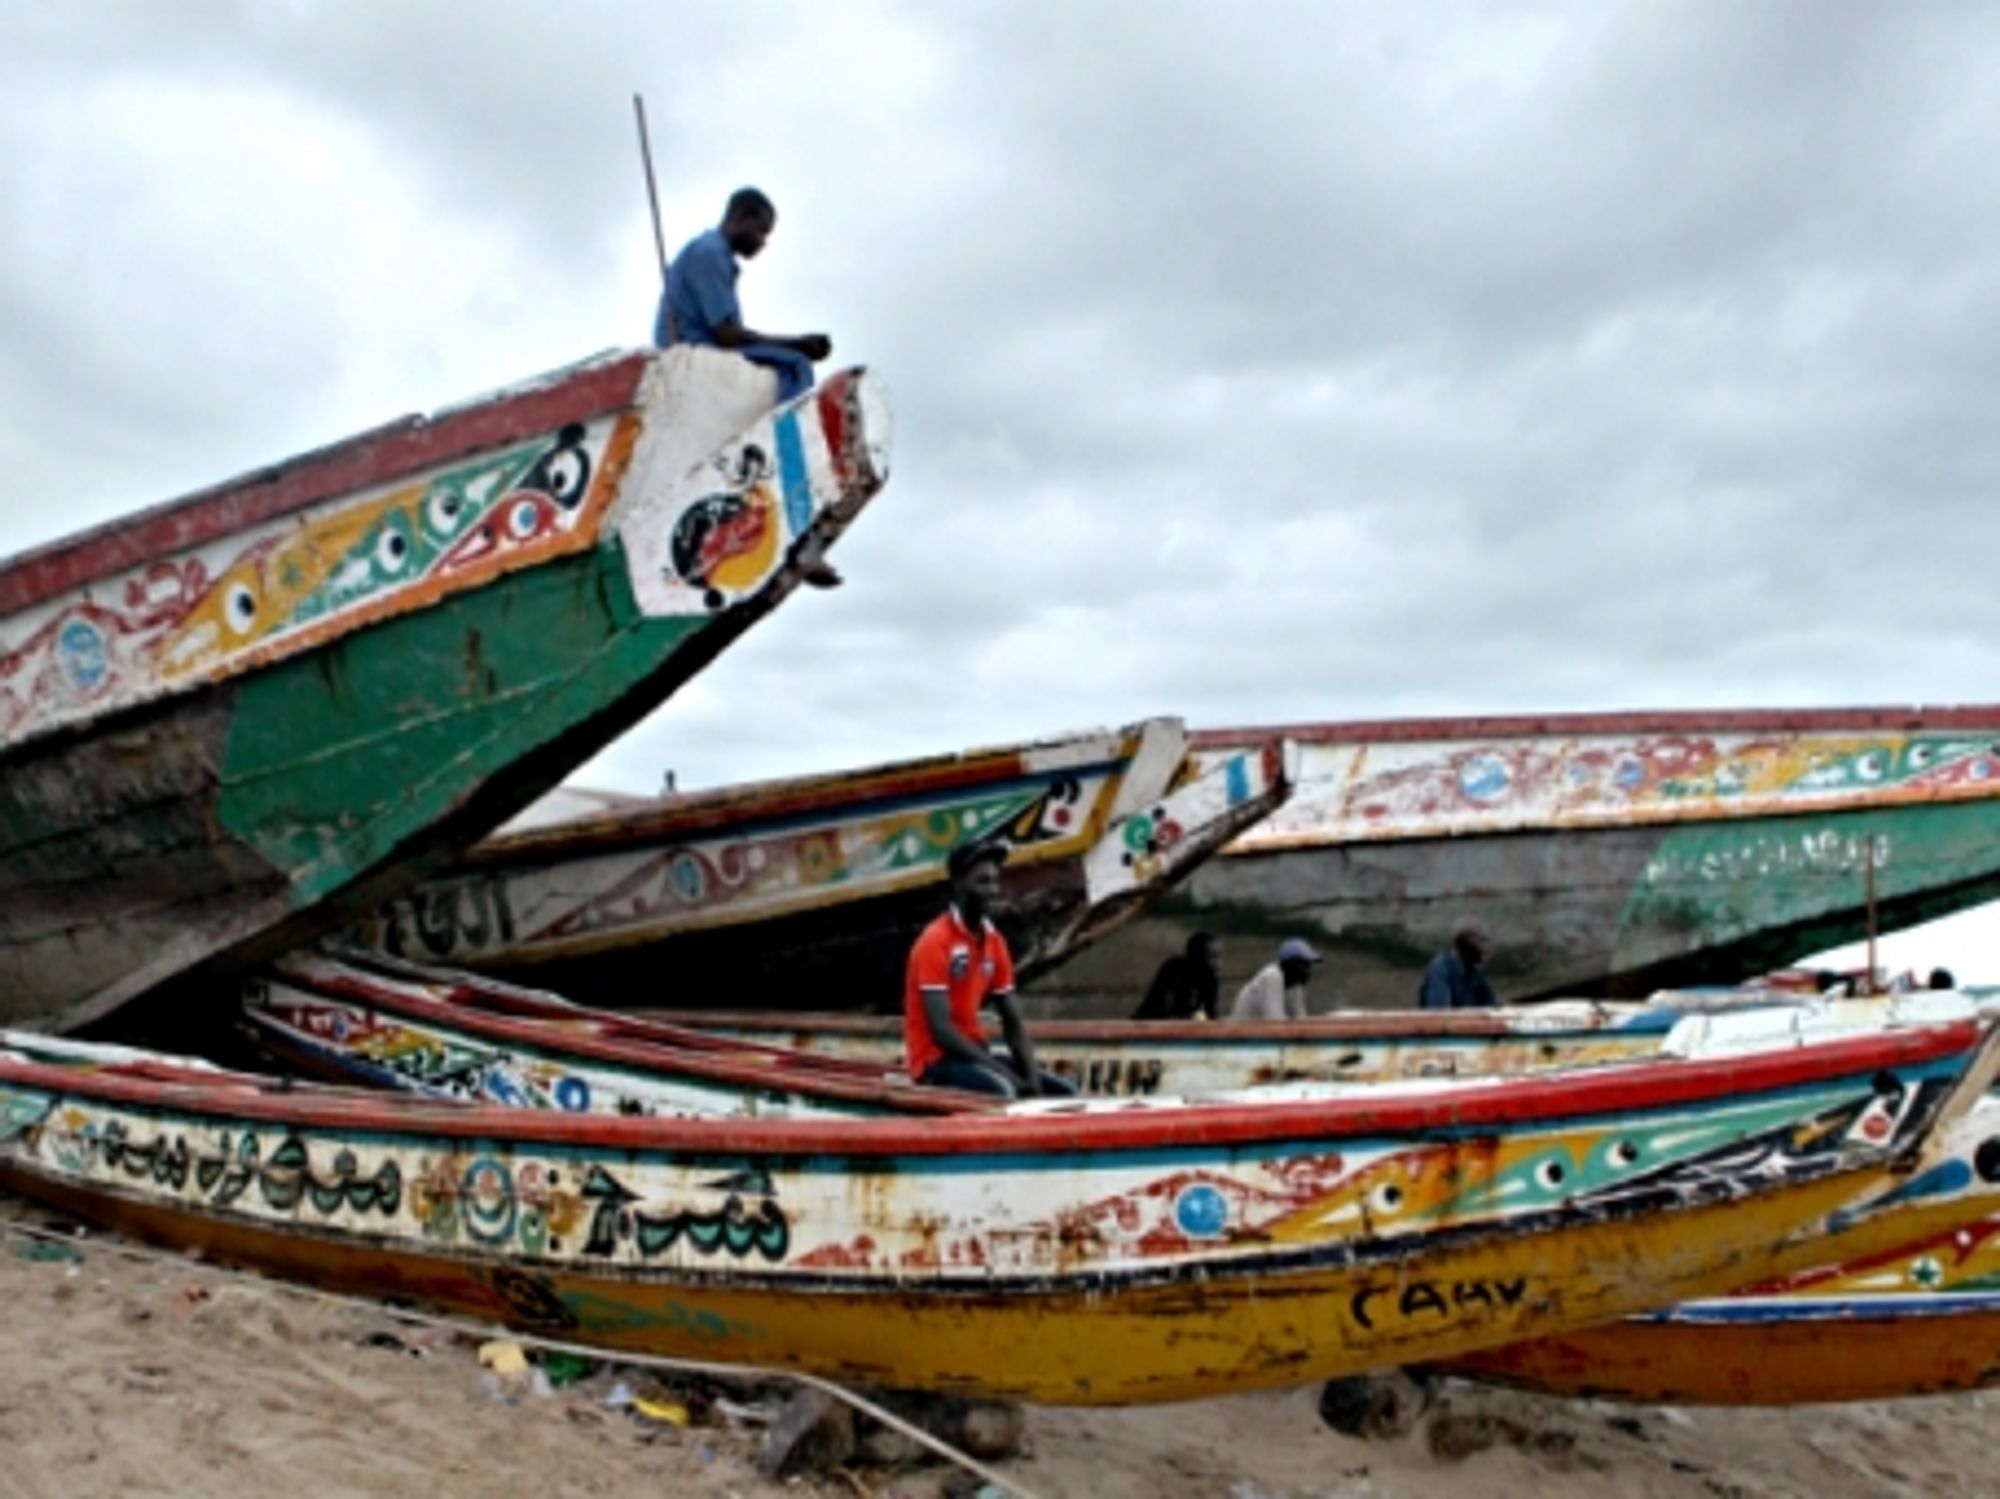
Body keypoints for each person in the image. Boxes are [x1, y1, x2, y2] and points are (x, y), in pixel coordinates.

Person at [904, 841, 1076, 1098]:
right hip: (936, 1062)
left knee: (1065, 1092)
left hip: (975, 1054)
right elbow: (941, 1031)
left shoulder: (995, 942)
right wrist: (1007, 1075)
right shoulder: (935, 941)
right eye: (983, 882)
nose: (994, 890)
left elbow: (1012, 1021)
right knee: (1004, 1092)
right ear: (959, 883)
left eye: (996, 881)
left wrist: (1031, 1078)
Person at [655, 187, 833, 403]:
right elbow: (727, 335)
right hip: (694, 348)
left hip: (702, 344)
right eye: (761, 231)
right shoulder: (710, 252)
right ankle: (781, 428)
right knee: (796, 364)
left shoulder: (711, 251)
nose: (763, 242)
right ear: (742, 217)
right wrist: (798, 344)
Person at [1133, 932, 1222, 1020]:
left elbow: (1210, 1012)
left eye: (1219, 957)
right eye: (1212, 957)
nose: (1218, 964)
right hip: (1149, 1025)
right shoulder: (1174, 969)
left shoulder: (1210, 979)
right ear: (1196, 956)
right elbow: (1165, 1010)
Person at [1417, 917, 1498, 1010]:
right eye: (1481, 941)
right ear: (1465, 942)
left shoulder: (1476, 973)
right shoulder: (1441, 969)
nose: (1485, 948)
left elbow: (1491, 1007)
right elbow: (1439, 1013)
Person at [1231, 938, 1321, 1020]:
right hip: (1241, 1035)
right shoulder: (1272, 975)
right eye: (1305, 965)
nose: (1308, 971)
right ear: (1291, 965)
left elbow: (1301, 1019)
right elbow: (1276, 1021)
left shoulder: (1294, 986)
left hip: (1260, 1034)